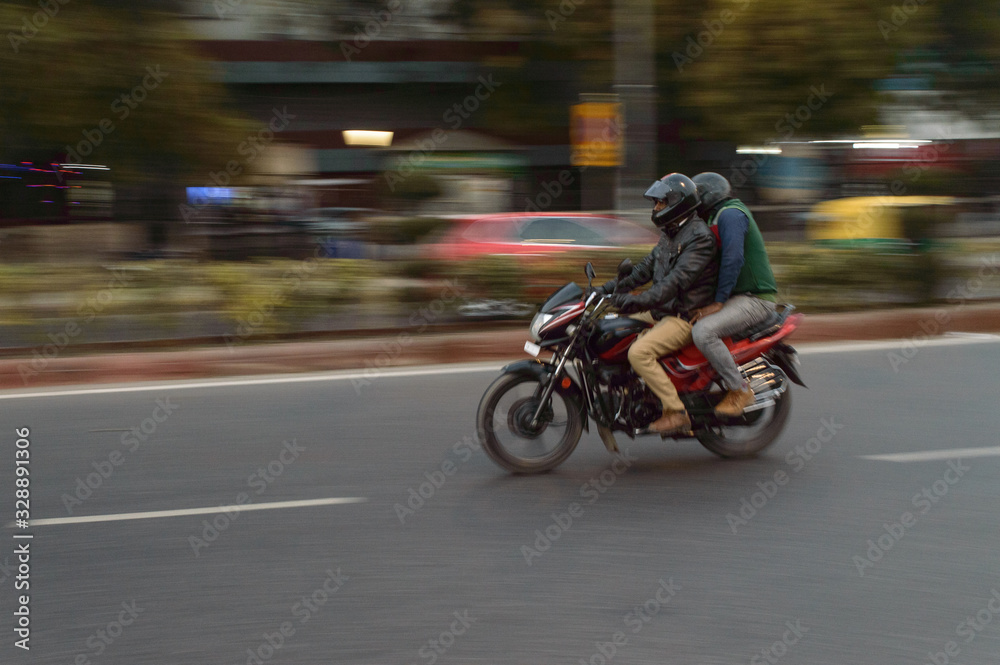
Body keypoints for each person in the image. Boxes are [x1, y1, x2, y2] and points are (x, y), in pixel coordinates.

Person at [598, 173, 719, 435]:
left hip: (683, 317)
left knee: (638, 352)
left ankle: (676, 412)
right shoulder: (671, 233)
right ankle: (632, 390)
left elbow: (674, 284)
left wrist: (634, 302)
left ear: (678, 202)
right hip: (662, 310)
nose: (656, 209)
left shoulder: (699, 238)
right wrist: (602, 291)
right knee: (608, 330)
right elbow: (642, 271)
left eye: (661, 203)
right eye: (656, 203)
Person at [689, 172, 779, 417]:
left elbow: (733, 258)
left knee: (703, 332)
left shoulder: (731, 214)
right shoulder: (714, 218)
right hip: (737, 297)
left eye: (696, 197)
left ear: (708, 196)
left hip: (755, 298)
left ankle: (739, 389)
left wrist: (718, 301)